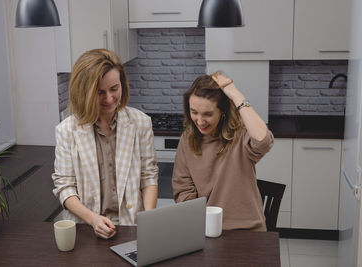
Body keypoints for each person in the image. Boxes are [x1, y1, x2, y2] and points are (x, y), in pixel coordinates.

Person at [52, 49, 158, 239]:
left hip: (132, 226)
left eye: (114, 89)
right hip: (87, 229)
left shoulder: (141, 122)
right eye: (100, 92)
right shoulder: (67, 130)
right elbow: (65, 187)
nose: (109, 99)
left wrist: (148, 219)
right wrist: (93, 219)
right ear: (83, 92)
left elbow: (148, 177)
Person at [172, 72, 274, 231]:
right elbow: (183, 190)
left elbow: (263, 141)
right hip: (206, 229)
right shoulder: (187, 140)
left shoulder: (241, 135)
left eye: (208, 114)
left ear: (223, 111)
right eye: (194, 112)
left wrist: (236, 95)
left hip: (248, 231)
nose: (200, 121)